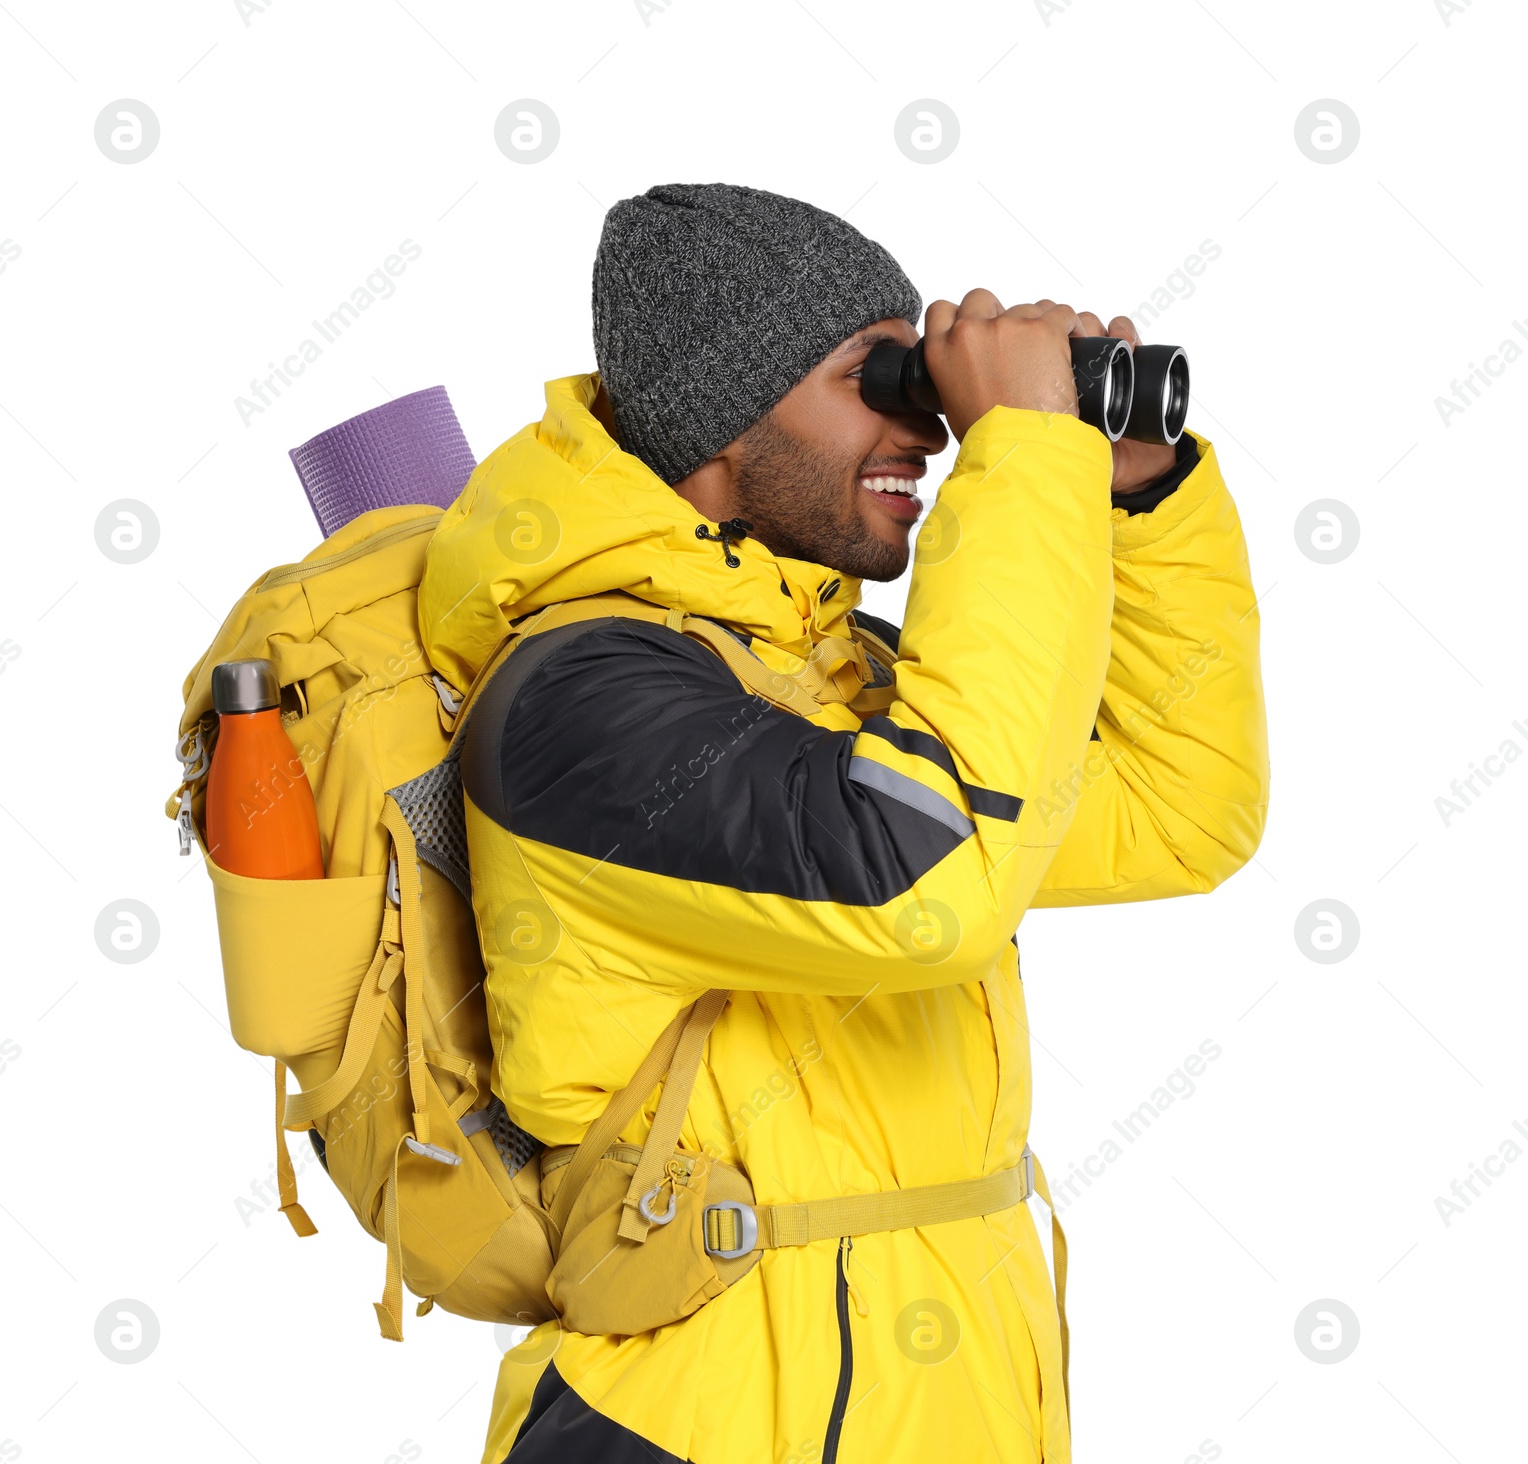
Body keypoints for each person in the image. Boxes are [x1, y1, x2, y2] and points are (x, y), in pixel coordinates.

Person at [418, 183, 1268, 1464]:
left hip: (948, 1403)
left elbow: (1175, 809)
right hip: (703, 1423)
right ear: (717, 419)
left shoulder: (835, 683)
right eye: (869, 375)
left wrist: (1125, 495)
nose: (922, 427)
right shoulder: (582, 700)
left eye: (920, 380)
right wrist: (1026, 452)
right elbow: (927, 885)